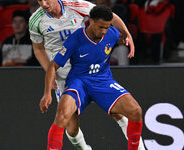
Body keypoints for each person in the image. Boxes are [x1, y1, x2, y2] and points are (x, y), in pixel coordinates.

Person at [29, 0, 145, 149]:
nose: (44, 3)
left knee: (120, 112)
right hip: (65, 75)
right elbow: (39, 50)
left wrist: (127, 34)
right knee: (70, 127)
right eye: (39, 0)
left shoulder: (77, 5)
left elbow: (108, 16)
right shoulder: (36, 21)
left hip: (93, 70)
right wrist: (51, 76)